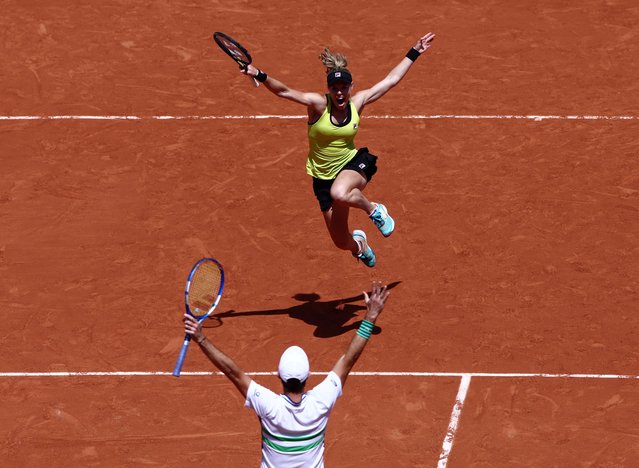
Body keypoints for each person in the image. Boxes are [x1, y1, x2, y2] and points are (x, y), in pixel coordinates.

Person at [240, 33, 435, 267]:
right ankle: (360, 246)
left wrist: (414, 52)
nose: (340, 92)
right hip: (322, 178)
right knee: (341, 241)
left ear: (351, 87)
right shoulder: (318, 105)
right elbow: (285, 92)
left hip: (352, 166)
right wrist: (259, 74)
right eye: (335, 88)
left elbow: (390, 80)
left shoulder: (359, 102)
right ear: (329, 89)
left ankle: (375, 210)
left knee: (340, 193)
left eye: (344, 87)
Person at [182, 281, 390, 467]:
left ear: (279, 377)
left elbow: (231, 371)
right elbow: (348, 359)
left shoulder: (269, 406)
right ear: (308, 376)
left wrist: (201, 339)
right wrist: (371, 316)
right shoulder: (321, 402)